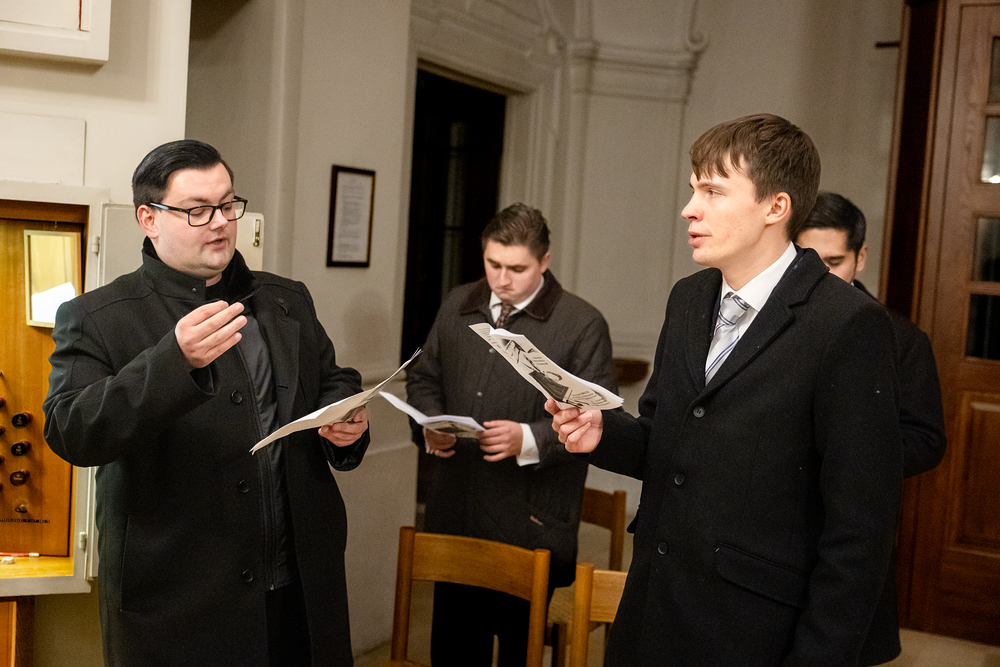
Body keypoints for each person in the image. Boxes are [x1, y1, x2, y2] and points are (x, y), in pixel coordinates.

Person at [548, 114, 904, 666]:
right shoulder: (689, 298)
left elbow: (860, 530)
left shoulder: (847, 324)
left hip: (751, 629)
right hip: (654, 607)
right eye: (694, 189)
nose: (690, 209)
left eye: (713, 191)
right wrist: (602, 432)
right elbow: (667, 438)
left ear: (775, 207)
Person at [43, 140, 370, 667]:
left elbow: (332, 378)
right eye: (197, 210)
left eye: (227, 204)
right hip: (179, 602)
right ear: (149, 218)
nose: (220, 223)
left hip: (300, 586)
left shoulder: (287, 298)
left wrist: (346, 415)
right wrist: (173, 361)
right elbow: (71, 431)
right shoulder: (97, 316)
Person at [405, 203, 617, 667]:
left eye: (517, 269)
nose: (501, 279)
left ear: (544, 261)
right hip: (456, 512)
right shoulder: (458, 303)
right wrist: (431, 424)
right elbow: (423, 378)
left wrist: (529, 438)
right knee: (454, 650)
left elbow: (596, 420)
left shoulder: (582, 323)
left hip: (529, 522)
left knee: (518, 651)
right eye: (493, 264)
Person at [796, 191, 946, 665]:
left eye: (834, 262)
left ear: (861, 258)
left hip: (850, 525)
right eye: (807, 261)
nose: (820, 277)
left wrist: (851, 452)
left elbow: (927, 440)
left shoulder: (902, 338)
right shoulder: (769, 323)